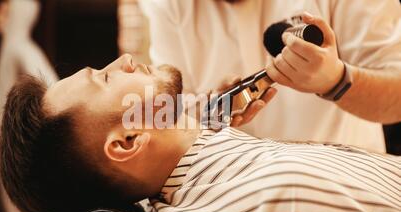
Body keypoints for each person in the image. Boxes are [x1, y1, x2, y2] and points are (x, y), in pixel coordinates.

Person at [0, 54, 400, 212]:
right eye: (105, 78)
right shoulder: (278, 195)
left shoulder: (181, 187)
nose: (124, 61)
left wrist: (200, 117)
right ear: (128, 141)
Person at [138, 0, 401, 153]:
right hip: (228, 206)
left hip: (345, 196)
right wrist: (207, 116)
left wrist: (336, 81)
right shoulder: (165, 4)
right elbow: (174, 117)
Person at [0, 0, 58, 212]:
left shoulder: (20, 48)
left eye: (3, 9)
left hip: (14, 141)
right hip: (4, 138)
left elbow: (50, 87)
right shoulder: (11, 49)